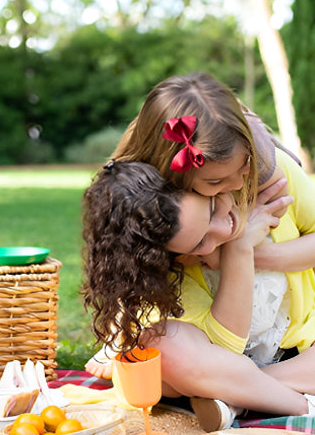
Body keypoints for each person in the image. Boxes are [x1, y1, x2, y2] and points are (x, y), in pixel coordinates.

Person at [85, 71, 304, 379]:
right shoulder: (159, 216)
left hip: (290, 334)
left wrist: (247, 253)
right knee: (168, 357)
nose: (237, 183)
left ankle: (247, 388)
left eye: (244, 166)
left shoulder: (267, 176)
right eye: (214, 183)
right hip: (216, 336)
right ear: (175, 175)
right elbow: (131, 269)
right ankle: (240, 387)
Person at [81, 155, 315, 432]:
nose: (224, 228)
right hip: (212, 364)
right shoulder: (168, 260)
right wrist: (238, 249)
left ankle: (236, 401)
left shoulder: (268, 174)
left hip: (298, 356)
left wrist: (250, 252)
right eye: (201, 240)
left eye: (213, 207)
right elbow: (226, 350)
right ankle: (302, 406)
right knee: (163, 347)